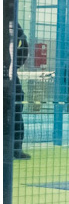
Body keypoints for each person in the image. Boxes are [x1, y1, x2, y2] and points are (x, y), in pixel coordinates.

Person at [6, 22, 30, 159]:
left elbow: (24, 47)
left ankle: (16, 149)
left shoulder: (15, 31)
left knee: (16, 115)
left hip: (12, 82)